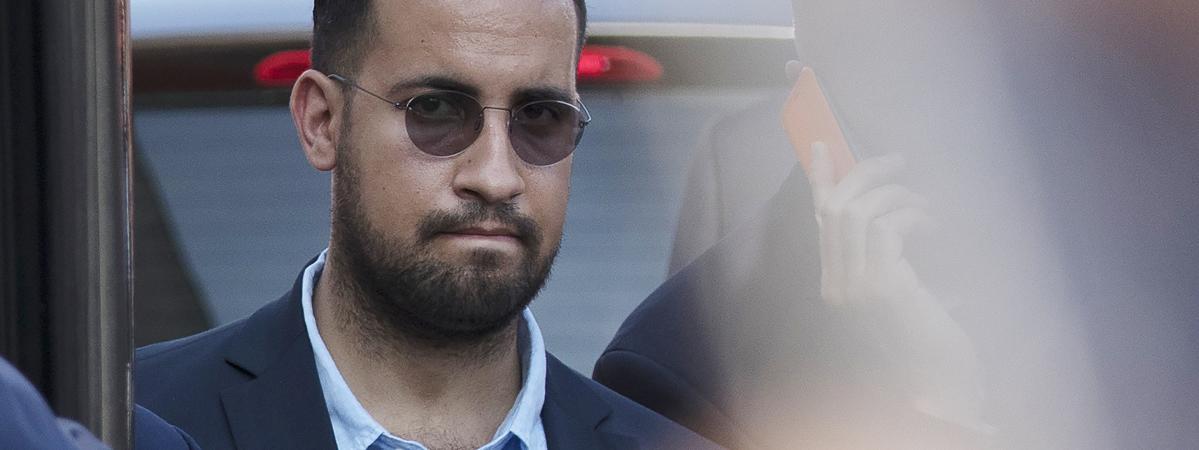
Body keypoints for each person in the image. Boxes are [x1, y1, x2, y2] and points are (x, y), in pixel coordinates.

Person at [134, 0, 719, 449]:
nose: (495, 176)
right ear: (321, 122)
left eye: (540, 117)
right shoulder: (120, 421)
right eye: (436, 110)